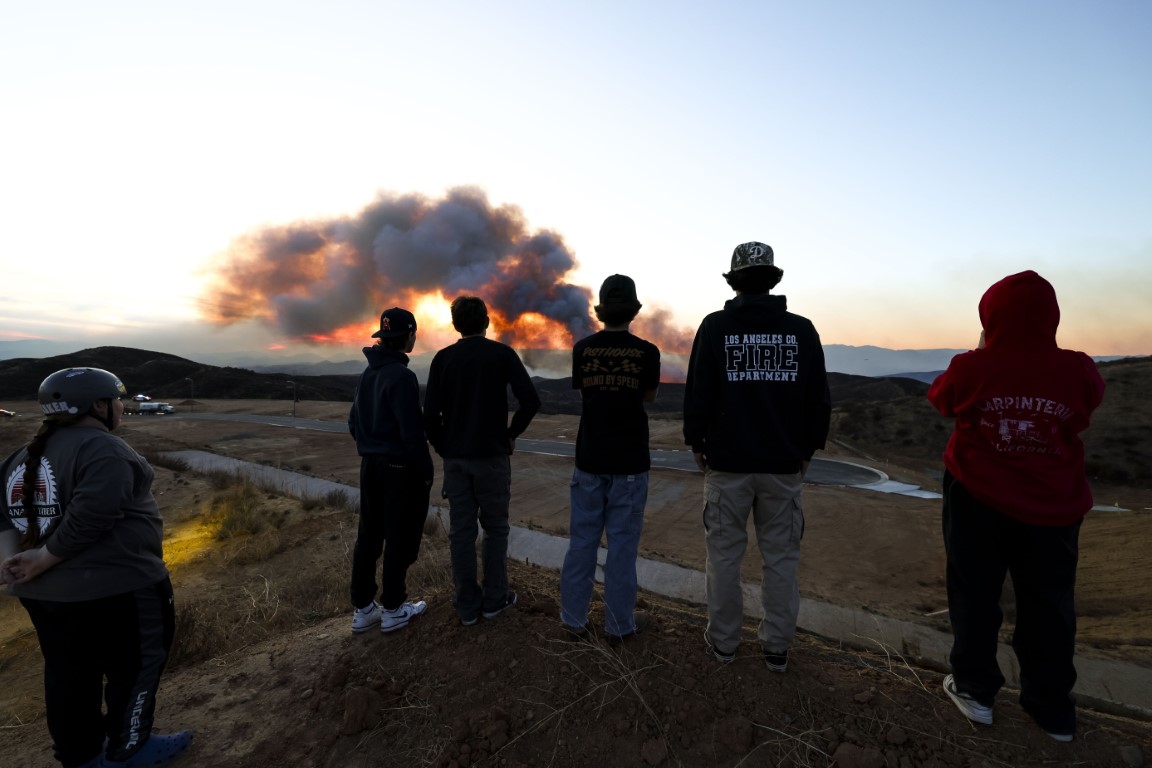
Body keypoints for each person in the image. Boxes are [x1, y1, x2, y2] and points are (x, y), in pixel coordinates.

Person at [927, 270, 1105, 742]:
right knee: (1049, 603)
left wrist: (986, 354)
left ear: (991, 317)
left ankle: (976, 692)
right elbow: (1086, 409)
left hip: (976, 496)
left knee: (974, 593)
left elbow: (941, 398)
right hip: (1054, 505)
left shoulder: (972, 367)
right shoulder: (1080, 368)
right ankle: (1052, 711)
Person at [0, 367, 193, 768]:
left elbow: (2, 516)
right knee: (137, 668)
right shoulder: (104, 448)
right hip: (120, 586)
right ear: (99, 405)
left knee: (69, 675)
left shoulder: (19, 457)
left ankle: (80, 755)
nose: (122, 407)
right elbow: (94, 514)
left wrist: (11, 563)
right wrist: (44, 557)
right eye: (118, 399)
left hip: (46, 596)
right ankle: (130, 749)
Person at [683, 241, 831, 671]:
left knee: (724, 558)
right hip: (782, 465)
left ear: (734, 282)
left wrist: (697, 442)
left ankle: (725, 644)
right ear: (772, 281)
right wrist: (807, 449)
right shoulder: (802, 330)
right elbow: (817, 397)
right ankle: (777, 648)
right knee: (781, 559)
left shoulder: (714, 328)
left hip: (727, 465)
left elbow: (698, 393)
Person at [423, 296, 541, 626]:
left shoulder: (443, 359)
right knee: (495, 529)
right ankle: (495, 599)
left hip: (457, 460)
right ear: (486, 322)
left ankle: (466, 606)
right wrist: (510, 435)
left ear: (456, 324)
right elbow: (531, 401)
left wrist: (444, 447)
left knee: (461, 532)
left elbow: (430, 414)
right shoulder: (501, 355)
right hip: (492, 457)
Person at [560, 275, 661, 644]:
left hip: (589, 459)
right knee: (622, 548)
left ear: (601, 311)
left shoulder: (583, 349)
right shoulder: (648, 352)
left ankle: (573, 620)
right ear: (633, 311)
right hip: (631, 463)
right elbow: (648, 397)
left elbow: (586, 392)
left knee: (582, 542)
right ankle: (619, 626)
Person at [347, 307, 434, 634]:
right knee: (400, 536)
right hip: (398, 470)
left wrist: (372, 447)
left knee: (369, 536)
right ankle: (395, 608)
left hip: (370, 467)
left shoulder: (368, 374)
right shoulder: (402, 376)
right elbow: (412, 435)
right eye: (414, 333)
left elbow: (353, 423)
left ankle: (363, 607)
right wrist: (425, 472)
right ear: (408, 335)